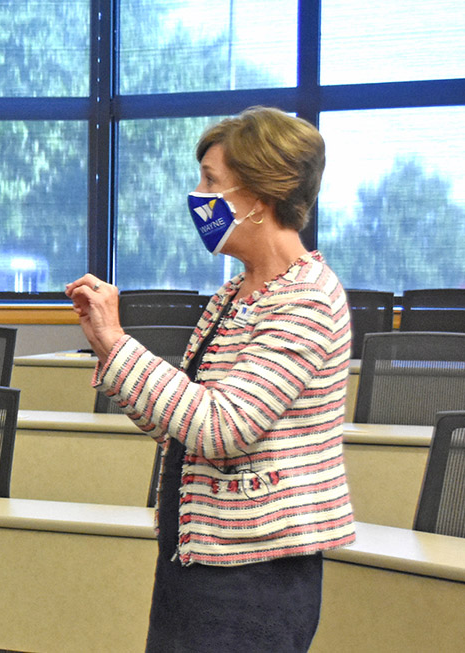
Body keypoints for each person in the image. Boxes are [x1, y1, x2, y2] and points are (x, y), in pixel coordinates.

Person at [66, 106, 355, 652]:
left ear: (260, 197)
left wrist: (123, 345)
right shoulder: (235, 294)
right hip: (196, 555)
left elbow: (223, 428)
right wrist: (107, 345)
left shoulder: (308, 297)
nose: (197, 196)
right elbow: (178, 423)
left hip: (255, 574)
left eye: (212, 182)